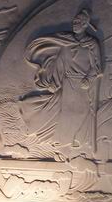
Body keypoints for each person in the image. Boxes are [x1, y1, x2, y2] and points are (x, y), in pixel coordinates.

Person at [22, 9, 102, 157]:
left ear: (85, 24)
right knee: (66, 112)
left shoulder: (92, 44)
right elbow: (60, 64)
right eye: (74, 22)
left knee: (82, 111)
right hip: (67, 84)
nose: (75, 24)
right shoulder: (66, 43)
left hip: (83, 84)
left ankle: (79, 142)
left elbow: (97, 67)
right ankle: (64, 144)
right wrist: (55, 82)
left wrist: (88, 78)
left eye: (78, 22)